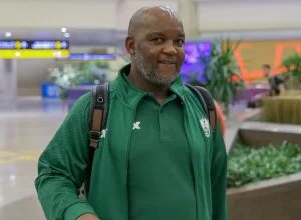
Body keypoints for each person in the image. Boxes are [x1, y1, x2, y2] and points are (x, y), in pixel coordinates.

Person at [35, 5, 227, 220]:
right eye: (157, 39)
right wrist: (78, 214)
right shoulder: (95, 107)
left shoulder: (202, 105)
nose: (172, 49)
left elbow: (217, 190)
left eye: (179, 41)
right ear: (131, 46)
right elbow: (53, 173)